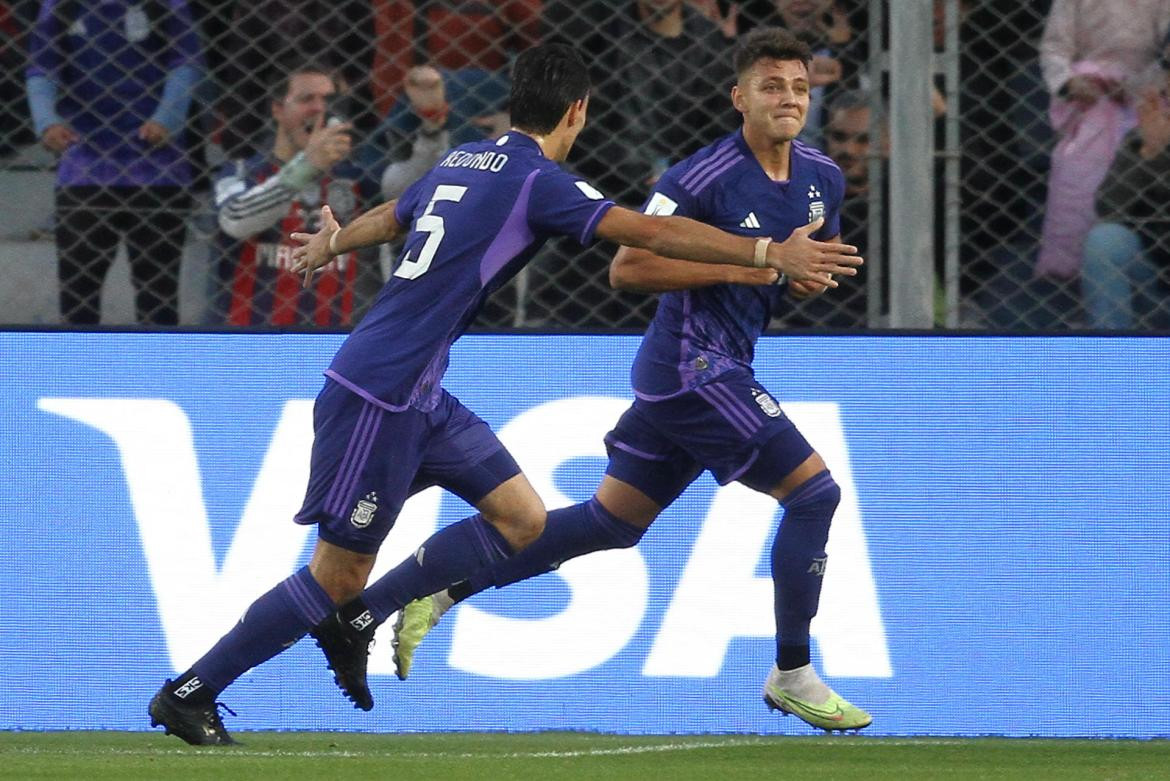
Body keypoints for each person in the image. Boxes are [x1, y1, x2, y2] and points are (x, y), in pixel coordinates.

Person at [146, 40, 862, 745]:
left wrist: (335, 243)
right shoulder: (538, 179)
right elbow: (642, 233)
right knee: (335, 574)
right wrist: (767, 253)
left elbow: (397, 213)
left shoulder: (466, 155)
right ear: (576, 112)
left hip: (422, 392)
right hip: (382, 390)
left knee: (522, 517)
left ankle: (368, 613)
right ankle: (193, 690)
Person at [25, 0, 201, 325]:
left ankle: (155, 370)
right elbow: (42, 66)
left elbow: (186, 62)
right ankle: (78, 371)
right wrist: (46, 121)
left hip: (158, 170)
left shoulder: (170, 5)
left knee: (158, 299)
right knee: (78, 299)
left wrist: (167, 118)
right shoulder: (59, 6)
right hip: (84, 165)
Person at [213, 64, 381, 326]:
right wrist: (307, 166)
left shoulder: (354, 179)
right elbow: (235, 220)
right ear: (277, 109)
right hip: (249, 338)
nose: (319, 108)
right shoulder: (242, 170)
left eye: (328, 99)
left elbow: (409, 192)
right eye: (306, 99)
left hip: (332, 342)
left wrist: (431, 124)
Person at [1082, 61, 1170, 329]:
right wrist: (1150, 153)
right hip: (1157, 275)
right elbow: (1108, 207)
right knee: (1104, 241)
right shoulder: (1147, 134)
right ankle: (1112, 355)